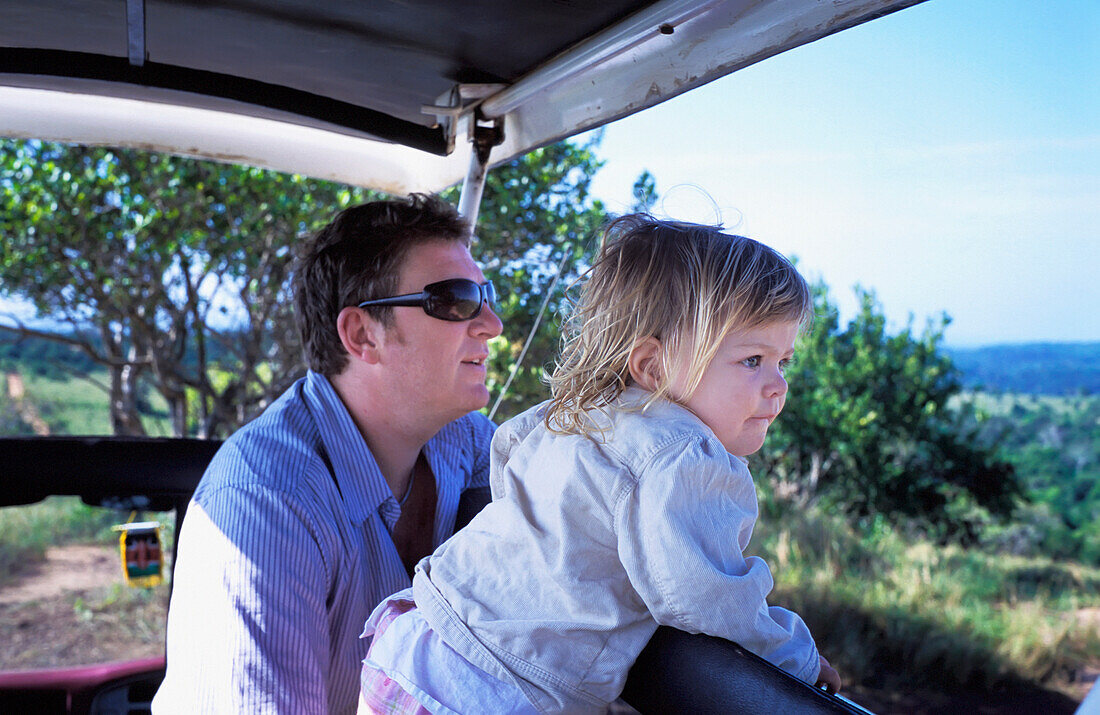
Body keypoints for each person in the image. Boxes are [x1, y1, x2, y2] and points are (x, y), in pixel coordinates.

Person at [359, 214, 842, 714]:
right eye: (752, 361)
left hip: (414, 634)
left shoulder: (575, 410)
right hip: (492, 684)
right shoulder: (680, 452)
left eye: (782, 362)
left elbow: (507, 447)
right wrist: (797, 660)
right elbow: (708, 597)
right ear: (652, 365)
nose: (778, 386)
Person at [153, 194, 503, 714]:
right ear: (362, 335)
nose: (491, 323)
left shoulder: (469, 443)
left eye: (485, 294)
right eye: (454, 300)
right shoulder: (265, 505)